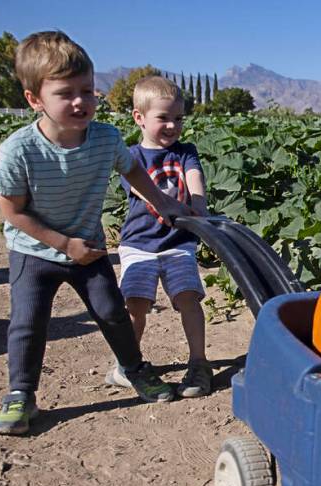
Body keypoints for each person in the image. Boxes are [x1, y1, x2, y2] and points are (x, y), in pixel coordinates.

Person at [0, 31, 192, 435]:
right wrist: (63, 244)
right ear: (35, 99)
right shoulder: (20, 149)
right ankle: (20, 394)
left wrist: (161, 201)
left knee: (112, 313)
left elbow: (133, 170)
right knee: (29, 322)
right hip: (35, 251)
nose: (81, 102)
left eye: (87, 91)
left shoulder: (105, 138)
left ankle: (134, 370)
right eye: (66, 94)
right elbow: (11, 211)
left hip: (90, 248)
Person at [103, 76, 213, 398]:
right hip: (139, 245)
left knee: (188, 298)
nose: (172, 126)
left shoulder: (185, 152)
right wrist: (166, 204)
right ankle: (127, 365)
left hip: (178, 243)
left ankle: (199, 363)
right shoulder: (131, 156)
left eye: (178, 118)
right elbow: (139, 187)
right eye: (162, 118)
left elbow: (194, 177)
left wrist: (198, 206)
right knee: (136, 304)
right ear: (139, 117)